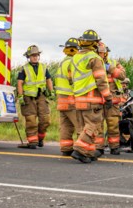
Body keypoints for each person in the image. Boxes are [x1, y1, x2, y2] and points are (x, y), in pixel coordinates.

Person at [70, 29, 112, 163]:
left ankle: (88, 152)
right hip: (92, 98)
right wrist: (108, 97)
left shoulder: (75, 57)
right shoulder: (95, 58)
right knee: (93, 125)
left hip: (79, 97)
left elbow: (70, 78)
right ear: (94, 44)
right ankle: (79, 149)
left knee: (84, 126)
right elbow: (101, 80)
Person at [16, 45, 53, 149]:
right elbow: (20, 83)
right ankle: (32, 141)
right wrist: (20, 96)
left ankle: (40, 138)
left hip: (41, 96)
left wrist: (51, 92)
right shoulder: (24, 68)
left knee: (46, 119)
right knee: (31, 120)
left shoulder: (43, 67)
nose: (35, 57)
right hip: (28, 98)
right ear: (28, 57)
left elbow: (48, 80)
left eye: (36, 55)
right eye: (33, 55)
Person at [98, 41, 128, 155]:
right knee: (98, 125)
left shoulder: (114, 63)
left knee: (113, 124)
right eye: (99, 52)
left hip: (112, 99)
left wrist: (109, 68)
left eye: (103, 52)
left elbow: (122, 75)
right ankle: (98, 147)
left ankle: (114, 147)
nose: (102, 54)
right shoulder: (93, 62)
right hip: (98, 99)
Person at [53, 38, 81, 156]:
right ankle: (81, 149)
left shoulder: (63, 62)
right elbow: (73, 80)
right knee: (80, 125)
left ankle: (66, 148)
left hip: (61, 99)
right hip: (71, 99)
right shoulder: (73, 62)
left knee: (66, 125)